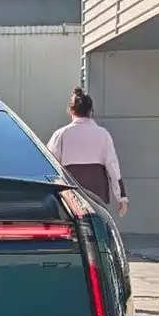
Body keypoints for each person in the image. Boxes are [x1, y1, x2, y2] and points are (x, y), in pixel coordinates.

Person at [47, 87, 128, 218]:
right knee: (97, 225)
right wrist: (121, 197)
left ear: (71, 110)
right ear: (90, 111)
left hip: (71, 193)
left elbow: (49, 164)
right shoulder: (103, 134)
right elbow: (113, 167)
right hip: (98, 194)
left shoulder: (61, 134)